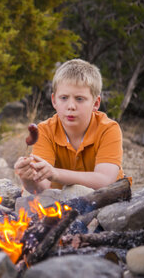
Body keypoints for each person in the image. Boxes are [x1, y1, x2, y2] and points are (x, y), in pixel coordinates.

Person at [14, 59, 124, 194]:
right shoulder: (45, 130)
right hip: (63, 206)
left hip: (106, 202)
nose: (71, 106)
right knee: (27, 197)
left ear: (96, 103)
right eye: (64, 98)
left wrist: (56, 173)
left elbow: (105, 180)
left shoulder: (108, 129)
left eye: (79, 99)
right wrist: (28, 178)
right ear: (54, 100)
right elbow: (41, 187)